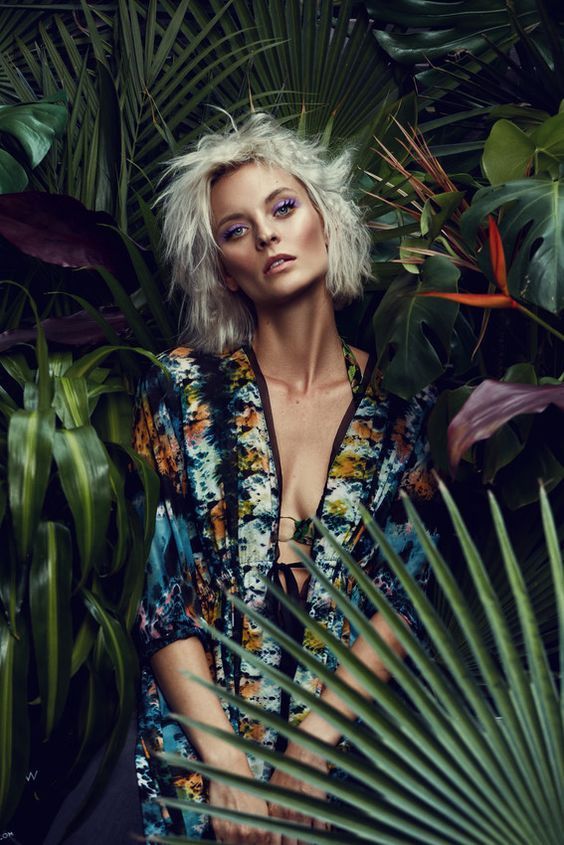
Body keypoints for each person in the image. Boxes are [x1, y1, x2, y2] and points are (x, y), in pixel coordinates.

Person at [132, 113, 438, 843]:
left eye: (282, 208)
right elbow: (158, 597)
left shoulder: (409, 405)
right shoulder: (182, 391)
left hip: (353, 772)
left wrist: (311, 744)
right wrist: (227, 766)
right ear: (223, 274)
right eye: (235, 231)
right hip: (193, 765)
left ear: (325, 222)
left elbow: (403, 598)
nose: (266, 236)